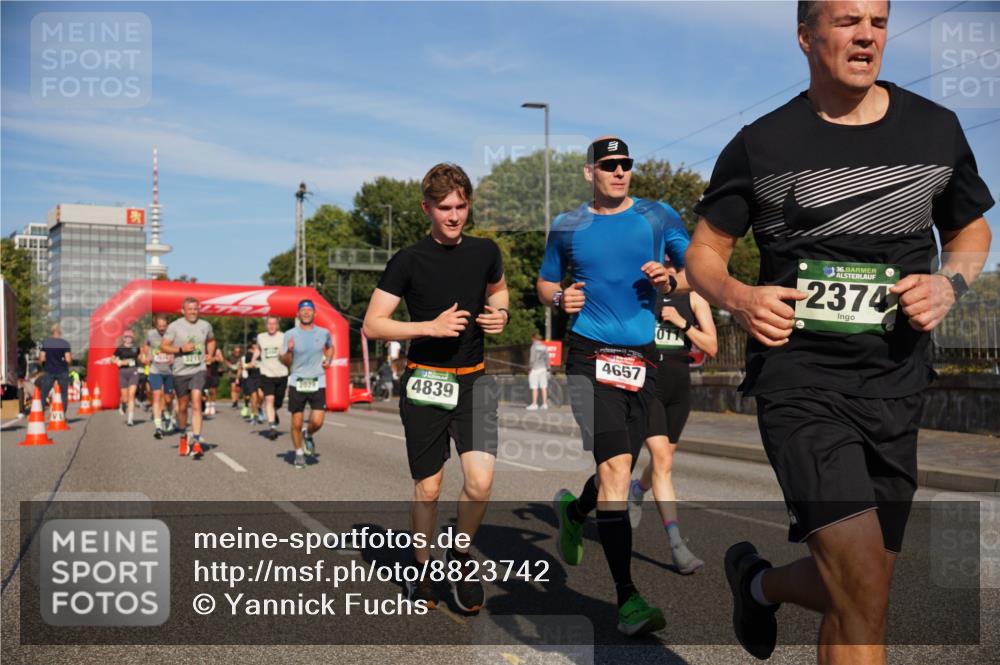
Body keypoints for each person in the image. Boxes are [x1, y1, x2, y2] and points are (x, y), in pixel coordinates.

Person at [685, 2, 994, 661]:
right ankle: (764, 585)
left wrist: (949, 282)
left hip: (897, 384)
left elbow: (970, 230)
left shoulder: (935, 131)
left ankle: (759, 584)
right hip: (802, 382)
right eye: (848, 20)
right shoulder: (762, 144)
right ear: (806, 35)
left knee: (865, 587)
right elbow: (703, 254)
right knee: (859, 583)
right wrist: (739, 296)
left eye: (878, 21)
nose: (867, 35)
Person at [538, 136, 691, 636]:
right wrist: (560, 297)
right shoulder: (568, 226)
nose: (620, 172)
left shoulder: (658, 215)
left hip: (641, 359)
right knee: (617, 470)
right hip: (588, 356)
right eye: (609, 165)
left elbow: (696, 273)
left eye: (626, 164)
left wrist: (670, 280)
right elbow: (545, 283)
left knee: (615, 475)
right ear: (590, 172)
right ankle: (628, 601)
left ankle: (574, 511)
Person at [362, 162, 507, 614]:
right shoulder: (408, 260)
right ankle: (422, 569)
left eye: (461, 206)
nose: (454, 215)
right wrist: (431, 326)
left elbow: (499, 293)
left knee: (480, 484)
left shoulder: (486, 251)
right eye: (445, 207)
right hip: (426, 382)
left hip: (475, 382)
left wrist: (498, 314)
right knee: (429, 488)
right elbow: (372, 325)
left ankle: (460, 557)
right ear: (427, 207)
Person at [628, 260, 718, 574]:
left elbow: (712, 346)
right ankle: (677, 544)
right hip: (647, 384)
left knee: (662, 461)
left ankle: (637, 490)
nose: (664, 262)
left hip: (679, 388)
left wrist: (683, 323)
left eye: (670, 257)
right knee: (662, 459)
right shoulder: (640, 293)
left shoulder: (694, 298)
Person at [160, 297, 216, 458]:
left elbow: (211, 340)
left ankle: (197, 442)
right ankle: (184, 435)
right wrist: (180, 349)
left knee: (197, 401)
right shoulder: (175, 326)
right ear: (183, 311)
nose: (193, 312)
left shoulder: (205, 325)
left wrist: (210, 355)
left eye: (196, 309)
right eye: (190, 309)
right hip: (180, 371)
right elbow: (163, 346)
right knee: (183, 407)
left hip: (198, 369)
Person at [280, 300, 334, 469]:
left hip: (318, 381)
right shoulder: (290, 334)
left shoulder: (324, 332)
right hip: (297, 381)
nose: (306, 313)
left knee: (317, 421)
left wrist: (329, 359)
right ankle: (298, 453)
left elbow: (330, 348)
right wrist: (289, 351)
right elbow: (286, 362)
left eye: (309, 310)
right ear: (298, 314)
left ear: (314, 313)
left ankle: (308, 434)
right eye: (302, 310)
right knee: (296, 422)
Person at [255, 315, 288, 440]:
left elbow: (290, 352)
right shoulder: (261, 337)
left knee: (278, 401)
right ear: (266, 325)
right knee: (269, 399)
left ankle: (274, 412)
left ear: (278, 325)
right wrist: (253, 359)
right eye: (269, 323)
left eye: (274, 323)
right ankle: (272, 427)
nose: (271, 326)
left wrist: (285, 354)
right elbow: (259, 349)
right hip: (266, 373)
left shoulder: (284, 336)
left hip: (282, 373)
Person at [143, 314, 176, 439]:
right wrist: (147, 355)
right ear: (155, 325)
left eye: (164, 326)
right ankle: (158, 428)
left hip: (169, 371)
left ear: (168, 324)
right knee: (156, 396)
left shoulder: (173, 334)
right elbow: (146, 345)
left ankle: (167, 415)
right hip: (155, 370)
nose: (162, 328)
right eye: (159, 326)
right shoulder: (151, 334)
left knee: (168, 399)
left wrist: (174, 356)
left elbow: (179, 348)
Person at [38, 323, 72, 412]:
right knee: (64, 394)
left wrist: (44, 365)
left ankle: (40, 413)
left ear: (52, 332)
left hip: (48, 370)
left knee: (44, 393)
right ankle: (62, 415)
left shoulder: (46, 343)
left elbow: (41, 358)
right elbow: (68, 359)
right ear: (60, 332)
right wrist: (65, 364)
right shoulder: (65, 343)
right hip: (62, 370)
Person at [113, 330, 141, 426]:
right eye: (126, 337)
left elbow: (140, 357)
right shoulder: (120, 348)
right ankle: (122, 403)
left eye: (130, 337)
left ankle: (130, 419)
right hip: (123, 373)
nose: (128, 338)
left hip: (133, 371)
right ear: (124, 338)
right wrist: (119, 362)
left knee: (131, 395)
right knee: (125, 398)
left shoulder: (136, 347)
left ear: (132, 338)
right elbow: (112, 358)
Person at [526, 332, 550, 410]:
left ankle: (534, 404)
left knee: (534, 387)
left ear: (533, 338)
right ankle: (545, 404)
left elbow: (532, 359)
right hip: (543, 368)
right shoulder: (544, 346)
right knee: (544, 386)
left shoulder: (533, 347)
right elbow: (547, 358)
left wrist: (530, 368)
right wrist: (548, 368)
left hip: (535, 369)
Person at [204, 346, 225, 416]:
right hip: (205, 372)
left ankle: (212, 406)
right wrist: (210, 359)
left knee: (213, 390)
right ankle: (207, 406)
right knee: (206, 391)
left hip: (214, 373)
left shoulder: (217, 350)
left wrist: (215, 358)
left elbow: (221, 360)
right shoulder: (204, 349)